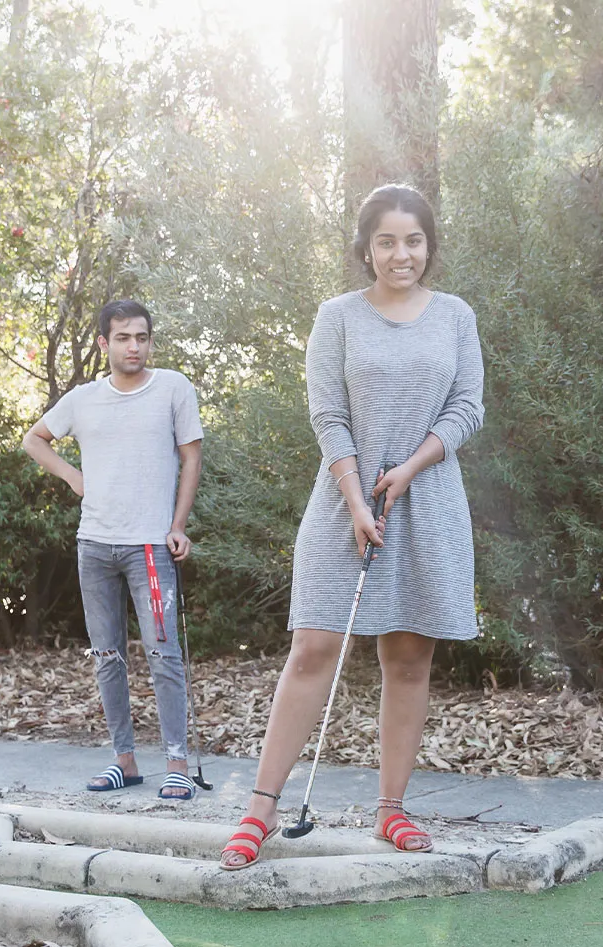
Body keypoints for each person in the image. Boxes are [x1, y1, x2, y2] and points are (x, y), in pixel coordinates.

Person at [221, 184, 484, 870]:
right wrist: (357, 495)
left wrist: (411, 468)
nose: (402, 254)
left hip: (427, 501)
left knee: (410, 657)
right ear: (366, 248)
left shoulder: (455, 316)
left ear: (429, 245)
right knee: (313, 646)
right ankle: (260, 810)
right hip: (346, 501)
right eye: (387, 241)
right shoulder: (337, 315)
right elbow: (327, 414)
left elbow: (467, 407)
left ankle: (391, 810)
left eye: (414, 240)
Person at [23, 300, 205, 800]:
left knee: (163, 654)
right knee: (107, 657)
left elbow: (191, 460)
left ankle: (177, 764)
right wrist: (73, 477)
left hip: (150, 547)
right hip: (95, 546)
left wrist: (178, 525)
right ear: (104, 343)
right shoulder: (84, 399)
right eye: (123, 338)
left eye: (141, 337)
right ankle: (124, 761)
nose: (134, 347)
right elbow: (34, 439)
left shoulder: (173, 388)